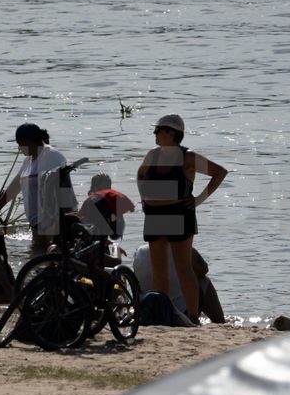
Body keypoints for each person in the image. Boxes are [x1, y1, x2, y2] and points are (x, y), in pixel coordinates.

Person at [137, 114, 228, 322]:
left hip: (179, 214)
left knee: (183, 267)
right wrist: (144, 199)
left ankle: (193, 317)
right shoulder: (153, 154)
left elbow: (220, 172)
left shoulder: (188, 157)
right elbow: (141, 174)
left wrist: (198, 200)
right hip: (154, 214)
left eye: (158, 130)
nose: (155, 134)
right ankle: (164, 313)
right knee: (158, 268)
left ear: (171, 133)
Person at [0, 123, 75, 257]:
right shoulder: (28, 161)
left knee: (48, 262)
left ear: (29, 141)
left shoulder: (51, 156)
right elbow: (15, 187)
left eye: (20, 143)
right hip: (37, 224)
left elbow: (63, 190)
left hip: (53, 223)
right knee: (36, 261)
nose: (19, 148)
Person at [132, 243, 226, 323]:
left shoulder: (139, 252)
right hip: (180, 313)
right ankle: (219, 321)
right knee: (204, 281)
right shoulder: (183, 250)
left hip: (148, 309)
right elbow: (204, 269)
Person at [79, 173, 136, 265]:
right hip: (96, 251)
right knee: (116, 260)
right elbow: (116, 234)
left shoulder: (88, 203)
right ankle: (116, 249)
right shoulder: (110, 203)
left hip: (86, 247)